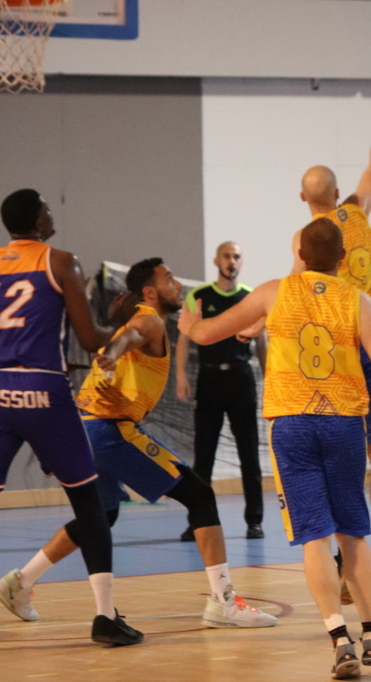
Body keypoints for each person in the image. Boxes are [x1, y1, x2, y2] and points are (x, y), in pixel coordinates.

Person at [179, 217, 371, 678]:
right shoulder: (358, 300)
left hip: (291, 426)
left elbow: (208, 333)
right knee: (352, 535)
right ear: (342, 258)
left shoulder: (273, 292)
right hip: (344, 424)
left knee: (314, 539)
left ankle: (340, 643)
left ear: (300, 255)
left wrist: (189, 323)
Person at [2, 257, 277, 630]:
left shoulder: (138, 321)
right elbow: (128, 338)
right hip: (109, 430)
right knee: (200, 496)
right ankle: (223, 602)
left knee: (102, 515)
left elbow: (121, 339)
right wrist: (112, 353)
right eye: (169, 278)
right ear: (149, 291)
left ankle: (20, 582)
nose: (177, 284)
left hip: (84, 429)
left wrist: (110, 351)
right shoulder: (149, 319)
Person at [0, 188, 142, 646]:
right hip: (45, 394)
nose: (50, 211)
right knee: (90, 504)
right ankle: (105, 617)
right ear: (37, 219)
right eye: (45, 206)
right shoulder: (61, 262)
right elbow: (90, 338)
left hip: (1, 391)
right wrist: (117, 321)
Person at [289, 93, 371, 591]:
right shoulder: (357, 214)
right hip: (369, 334)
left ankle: (346, 561)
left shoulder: (307, 237)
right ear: (338, 193)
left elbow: (292, 291)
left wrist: (252, 324)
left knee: (337, 454)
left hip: (330, 350)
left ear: (303, 198)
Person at [176, 241, 266, 541]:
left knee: (249, 454)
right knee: (204, 457)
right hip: (209, 378)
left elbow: (262, 342)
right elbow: (184, 338)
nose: (232, 261)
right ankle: (198, 522)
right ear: (217, 261)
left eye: (237, 256)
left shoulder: (251, 297)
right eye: (227, 256)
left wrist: (270, 379)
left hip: (241, 378)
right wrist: (181, 375)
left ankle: (255, 521)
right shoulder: (199, 296)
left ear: (242, 261)